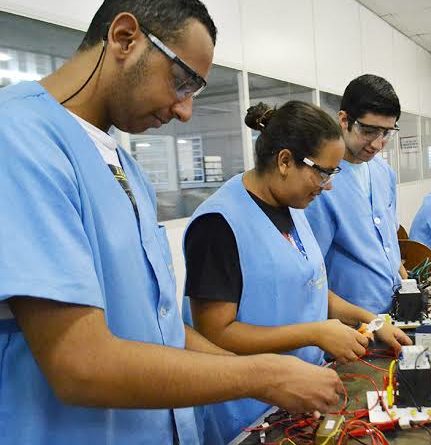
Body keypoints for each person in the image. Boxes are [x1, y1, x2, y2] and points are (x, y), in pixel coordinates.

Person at [0, 2, 341, 444]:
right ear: (125, 38)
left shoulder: (125, 168)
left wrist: (263, 377)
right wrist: (261, 374)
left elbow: (157, 325)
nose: (184, 112)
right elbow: (78, 365)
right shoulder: (20, 139)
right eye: (182, 82)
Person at [183, 101, 409, 442]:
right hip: (248, 408)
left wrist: (373, 320)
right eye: (323, 172)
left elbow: (311, 286)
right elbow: (216, 333)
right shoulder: (218, 224)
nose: (328, 186)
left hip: (300, 392)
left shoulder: (293, 205)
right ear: (285, 161)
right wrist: (316, 333)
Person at [305, 75, 413, 318]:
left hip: (392, 313)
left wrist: (408, 286)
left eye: (386, 133)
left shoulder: (383, 172)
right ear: (344, 120)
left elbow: (389, 243)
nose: (377, 144)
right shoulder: (316, 182)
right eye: (368, 131)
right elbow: (309, 272)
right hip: (348, 324)